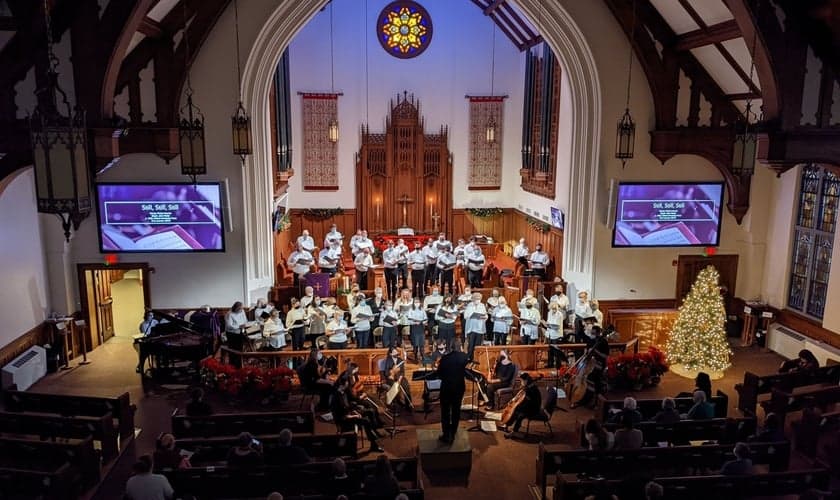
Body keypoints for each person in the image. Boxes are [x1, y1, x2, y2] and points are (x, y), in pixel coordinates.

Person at [331, 376, 384, 452]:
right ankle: (374, 444)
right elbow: (340, 415)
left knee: (369, 411)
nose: (348, 385)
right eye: (347, 384)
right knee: (366, 421)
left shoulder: (343, 393)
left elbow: (348, 407)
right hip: (344, 420)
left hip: (349, 414)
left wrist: (355, 412)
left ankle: (374, 433)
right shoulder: (336, 397)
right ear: (342, 385)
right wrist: (355, 415)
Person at [437, 339, 469, 443]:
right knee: (456, 411)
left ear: (450, 347)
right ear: (460, 347)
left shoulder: (445, 358)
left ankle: (446, 435)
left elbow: (440, 375)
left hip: (446, 388)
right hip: (459, 388)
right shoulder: (464, 357)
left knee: (445, 412)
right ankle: (453, 433)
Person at [571, 325, 610, 409]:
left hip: (599, 365)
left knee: (592, 380)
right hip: (591, 364)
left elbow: (605, 356)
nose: (592, 335)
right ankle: (584, 398)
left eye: (594, 333)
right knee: (586, 377)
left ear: (599, 333)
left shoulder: (603, 342)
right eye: (591, 333)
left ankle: (592, 401)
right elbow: (587, 348)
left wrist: (596, 351)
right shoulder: (592, 341)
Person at [502, 372, 542, 438]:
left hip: (534, 409)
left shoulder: (531, 390)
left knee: (519, 414)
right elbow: (521, 394)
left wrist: (516, 406)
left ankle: (514, 432)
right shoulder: (529, 387)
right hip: (529, 405)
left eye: (521, 381)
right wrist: (514, 400)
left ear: (526, 380)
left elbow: (528, 403)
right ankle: (507, 425)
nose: (521, 383)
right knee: (516, 410)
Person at [383, 346, 413, 410]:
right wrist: (391, 371)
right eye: (394, 352)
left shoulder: (400, 360)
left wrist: (400, 379)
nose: (396, 353)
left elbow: (402, 372)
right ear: (391, 354)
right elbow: (386, 372)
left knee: (406, 385)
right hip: (391, 378)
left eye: (396, 351)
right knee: (394, 387)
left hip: (400, 377)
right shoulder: (388, 360)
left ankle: (408, 404)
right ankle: (395, 405)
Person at [464, 292, 488, 360]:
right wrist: (471, 316)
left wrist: (484, 317)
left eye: (479, 299)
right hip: (471, 328)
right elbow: (465, 316)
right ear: (473, 299)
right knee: (471, 345)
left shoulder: (482, 305)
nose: (478, 300)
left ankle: (476, 359)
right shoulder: (469, 305)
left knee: (478, 345)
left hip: (479, 328)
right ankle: (469, 358)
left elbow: (486, 315)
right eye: (477, 299)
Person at [545, 300, 565, 367]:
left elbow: (558, 326)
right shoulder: (549, 313)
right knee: (550, 350)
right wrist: (546, 324)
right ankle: (550, 364)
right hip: (550, 334)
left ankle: (558, 364)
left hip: (557, 334)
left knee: (556, 350)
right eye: (552, 308)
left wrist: (550, 325)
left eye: (555, 308)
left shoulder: (559, 314)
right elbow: (548, 322)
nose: (553, 310)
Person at [406, 297, 427, 361]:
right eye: (415, 302)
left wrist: (423, 322)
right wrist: (414, 322)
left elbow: (425, 318)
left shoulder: (422, 309)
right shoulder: (410, 310)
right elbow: (408, 320)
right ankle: (415, 357)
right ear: (413, 303)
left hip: (421, 327)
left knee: (421, 343)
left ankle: (423, 356)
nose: (417, 303)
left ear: (420, 303)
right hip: (414, 327)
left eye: (418, 302)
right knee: (415, 343)